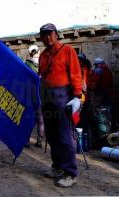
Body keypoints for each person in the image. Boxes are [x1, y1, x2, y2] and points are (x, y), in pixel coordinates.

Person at [39, 23, 82, 187]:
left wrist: (77, 96)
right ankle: (57, 166)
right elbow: (42, 77)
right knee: (51, 136)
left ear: (56, 35)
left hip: (63, 97)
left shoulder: (68, 51)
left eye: (50, 34)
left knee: (65, 137)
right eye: (44, 35)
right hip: (47, 98)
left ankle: (70, 173)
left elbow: (76, 74)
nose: (47, 37)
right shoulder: (43, 55)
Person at [25, 45, 45, 148]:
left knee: (28, 118)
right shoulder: (44, 63)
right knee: (40, 119)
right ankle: (39, 140)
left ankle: (27, 140)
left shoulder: (27, 64)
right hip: (42, 94)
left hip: (30, 94)